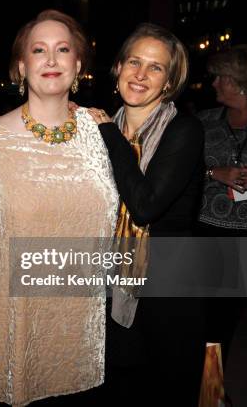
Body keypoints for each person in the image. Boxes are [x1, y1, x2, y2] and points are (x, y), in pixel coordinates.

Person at [0, 10, 119, 406]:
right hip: (12, 338)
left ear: (77, 65)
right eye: (39, 50)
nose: (51, 59)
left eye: (62, 49)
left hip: (83, 338)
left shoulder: (105, 133)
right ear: (21, 67)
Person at [86, 23, 206, 406]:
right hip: (106, 273)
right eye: (134, 62)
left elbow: (145, 204)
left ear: (169, 82)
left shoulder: (184, 130)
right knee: (114, 385)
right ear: (118, 67)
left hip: (168, 284)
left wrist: (109, 134)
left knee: (163, 386)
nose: (140, 74)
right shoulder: (92, 131)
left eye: (155, 68)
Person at [196, 45, 247, 362]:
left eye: (220, 77)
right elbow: (179, 170)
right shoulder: (203, 122)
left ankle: (211, 389)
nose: (214, 83)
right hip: (205, 231)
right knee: (201, 316)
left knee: (226, 318)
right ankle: (207, 388)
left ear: (238, 81)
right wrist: (213, 172)